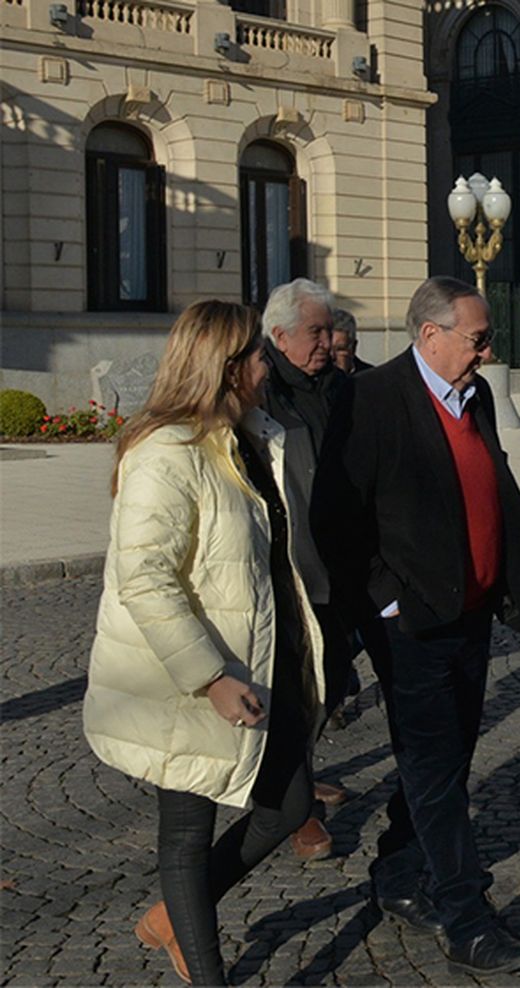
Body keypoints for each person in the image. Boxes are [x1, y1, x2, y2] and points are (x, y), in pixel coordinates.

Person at [83, 300, 325, 985]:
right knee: (186, 834)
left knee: (290, 805)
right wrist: (209, 674)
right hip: (183, 676)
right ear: (221, 368)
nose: (265, 365)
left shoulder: (251, 434)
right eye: (254, 354)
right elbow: (144, 578)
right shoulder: (165, 451)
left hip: (259, 661)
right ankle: (207, 968)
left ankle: (171, 918)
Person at [320, 275, 520, 975]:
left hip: (471, 612)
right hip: (410, 624)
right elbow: (337, 519)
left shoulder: (472, 395)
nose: (487, 351)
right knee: (435, 768)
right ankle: (466, 917)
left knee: (448, 760)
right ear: (430, 335)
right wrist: (387, 602)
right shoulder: (369, 399)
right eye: (478, 339)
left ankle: (394, 869)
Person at [261, 278, 353, 861]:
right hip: (287, 565)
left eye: (329, 330)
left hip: (342, 559)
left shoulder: (341, 387)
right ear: (280, 335)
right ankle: (296, 809)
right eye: (315, 332)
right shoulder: (260, 392)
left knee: (335, 677)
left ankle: (300, 770)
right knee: (294, 687)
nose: (328, 340)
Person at [330, 307, 374, 374]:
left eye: (340, 349)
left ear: (353, 348)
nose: (332, 356)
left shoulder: (371, 377)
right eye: (327, 349)